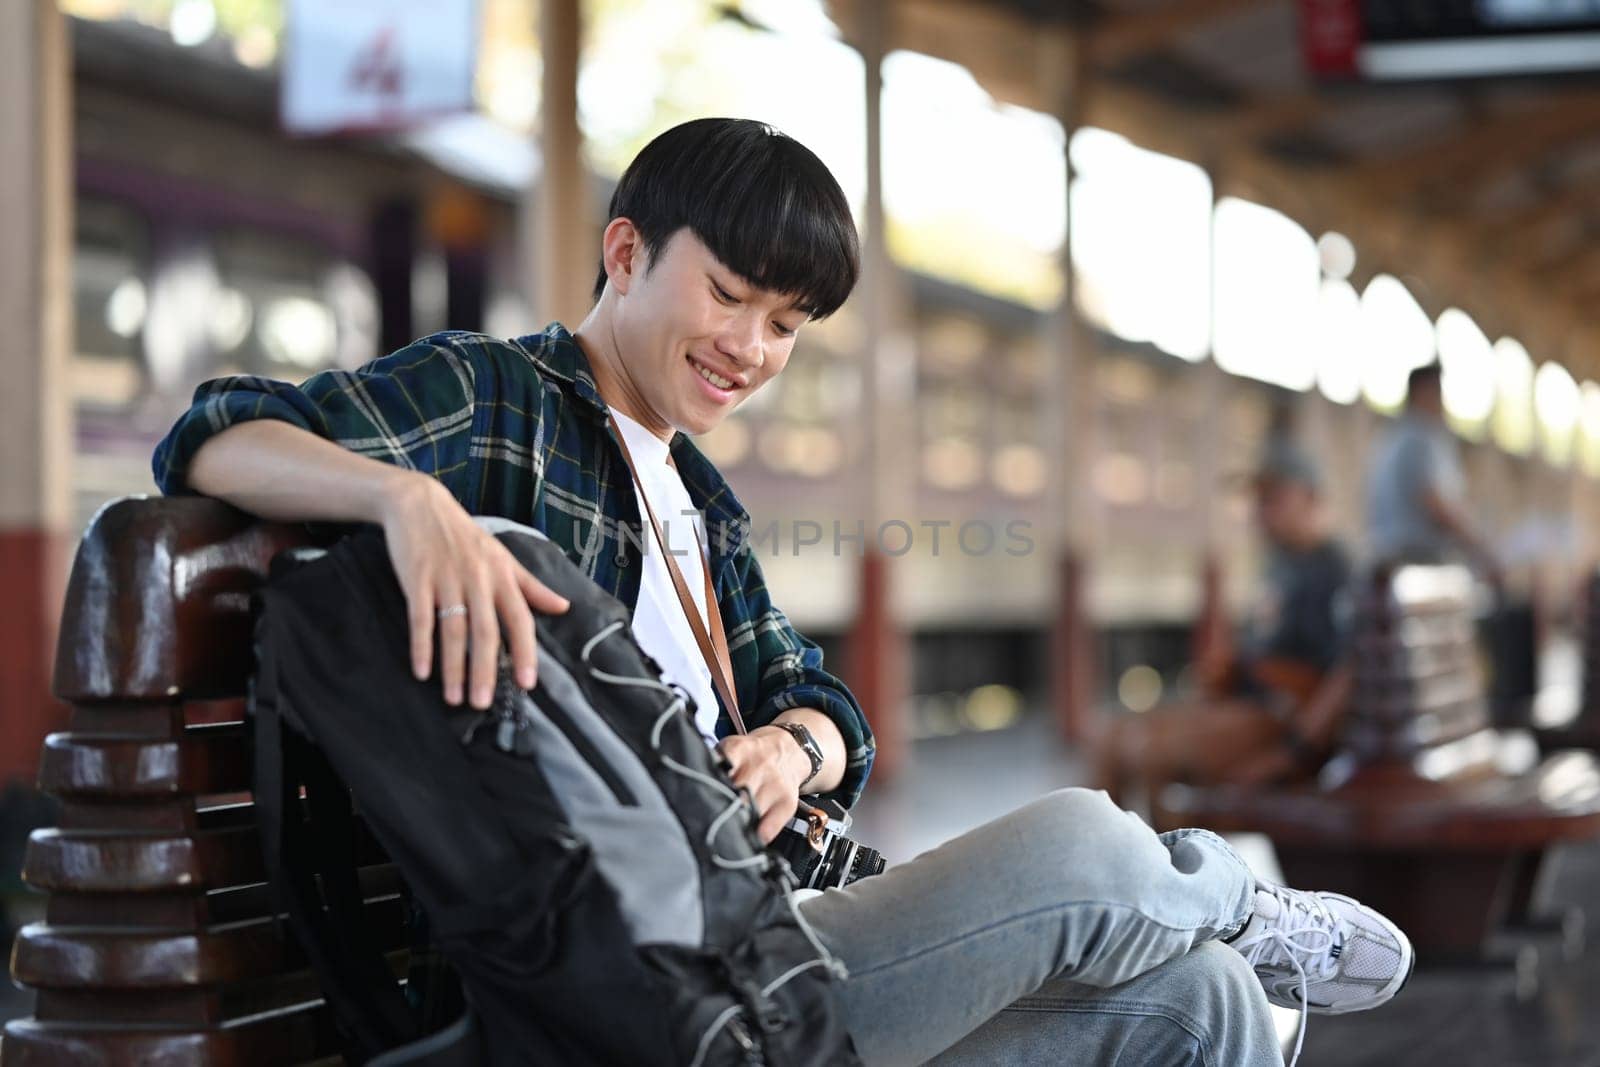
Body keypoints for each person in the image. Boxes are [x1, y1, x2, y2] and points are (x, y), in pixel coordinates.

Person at [154, 119, 1411, 1066]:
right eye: (730, 295)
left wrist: (789, 749)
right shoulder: (500, 401)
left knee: (1206, 1007)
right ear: (626, 251)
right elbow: (213, 433)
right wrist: (405, 499)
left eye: (787, 322)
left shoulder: (695, 498)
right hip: (646, 989)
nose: (750, 348)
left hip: (776, 945)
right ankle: (1231, 898)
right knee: (1085, 840)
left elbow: (824, 703)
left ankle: (1225, 937)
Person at [1097, 436, 1355, 804]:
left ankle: (1174, 857)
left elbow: (1347, 672)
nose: (1259, 512)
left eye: (1273, 498)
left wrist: (1293, 752)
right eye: (1257, 500)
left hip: (1284, 720)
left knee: (1152, 752)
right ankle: (1118, 859)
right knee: (1108, 739)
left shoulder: (1335, 570)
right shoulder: (1280, 566)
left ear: (1312, 498)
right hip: (1248, 708)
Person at [1367, 362, 1498, 577]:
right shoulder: (1419, 438)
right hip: (1417, 561)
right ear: (1422, 392)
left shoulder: (1391, 436)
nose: (1442, 402)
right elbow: (1437, 503)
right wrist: (1481, 546)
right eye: (1438, 393)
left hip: (1393, 557)